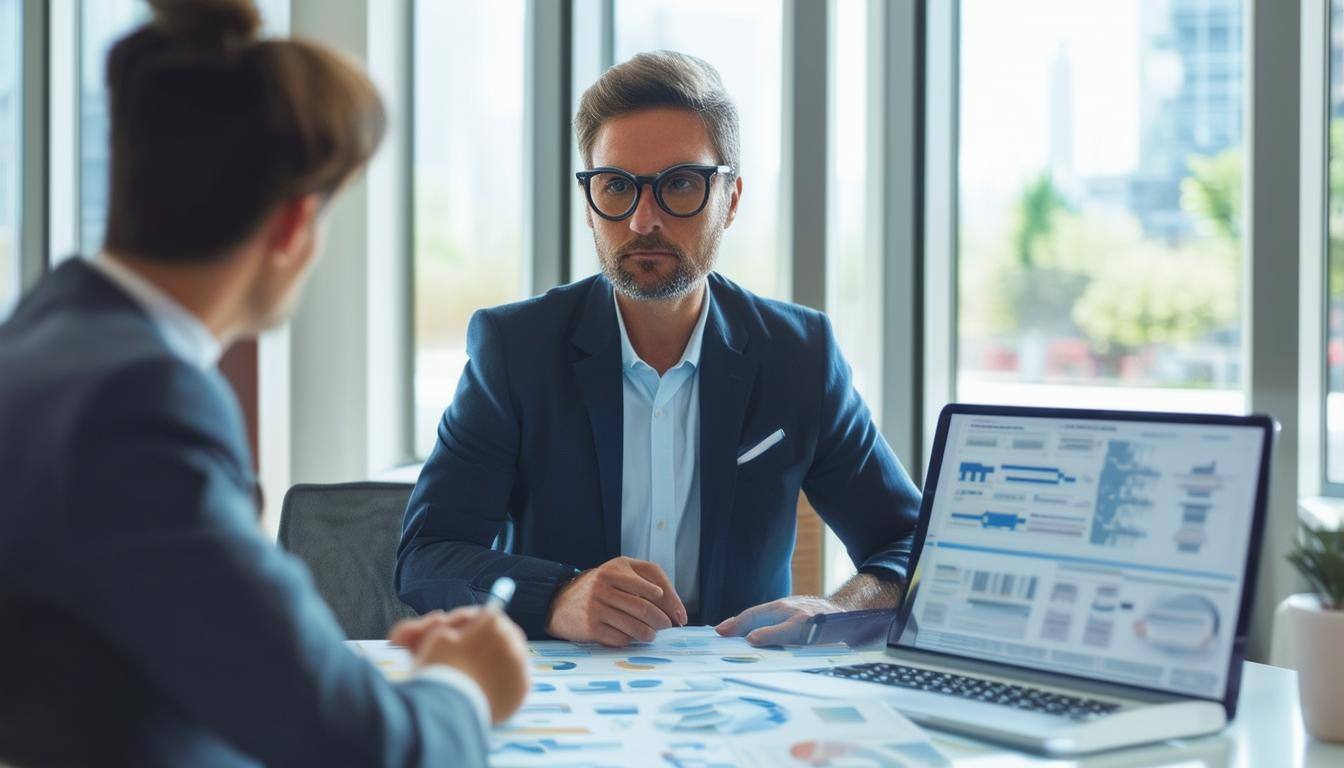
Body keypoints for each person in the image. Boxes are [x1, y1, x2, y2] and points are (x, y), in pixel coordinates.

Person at [0, 1, 527, 765]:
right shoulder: (144, 403)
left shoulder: (37, 337)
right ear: (292, 227)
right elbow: (358, 748)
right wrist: (464, 687)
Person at [396, 50, 923, 648]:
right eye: (617, 186)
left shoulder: (799, 355)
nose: (644, 219)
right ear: (590, 201)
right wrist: (559, 596)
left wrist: (835, 607)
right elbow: (426, 558)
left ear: (732, 199)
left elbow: (909, 543)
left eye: (680, 184)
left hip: (743, 695)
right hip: (571, 692)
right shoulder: (515, 351)